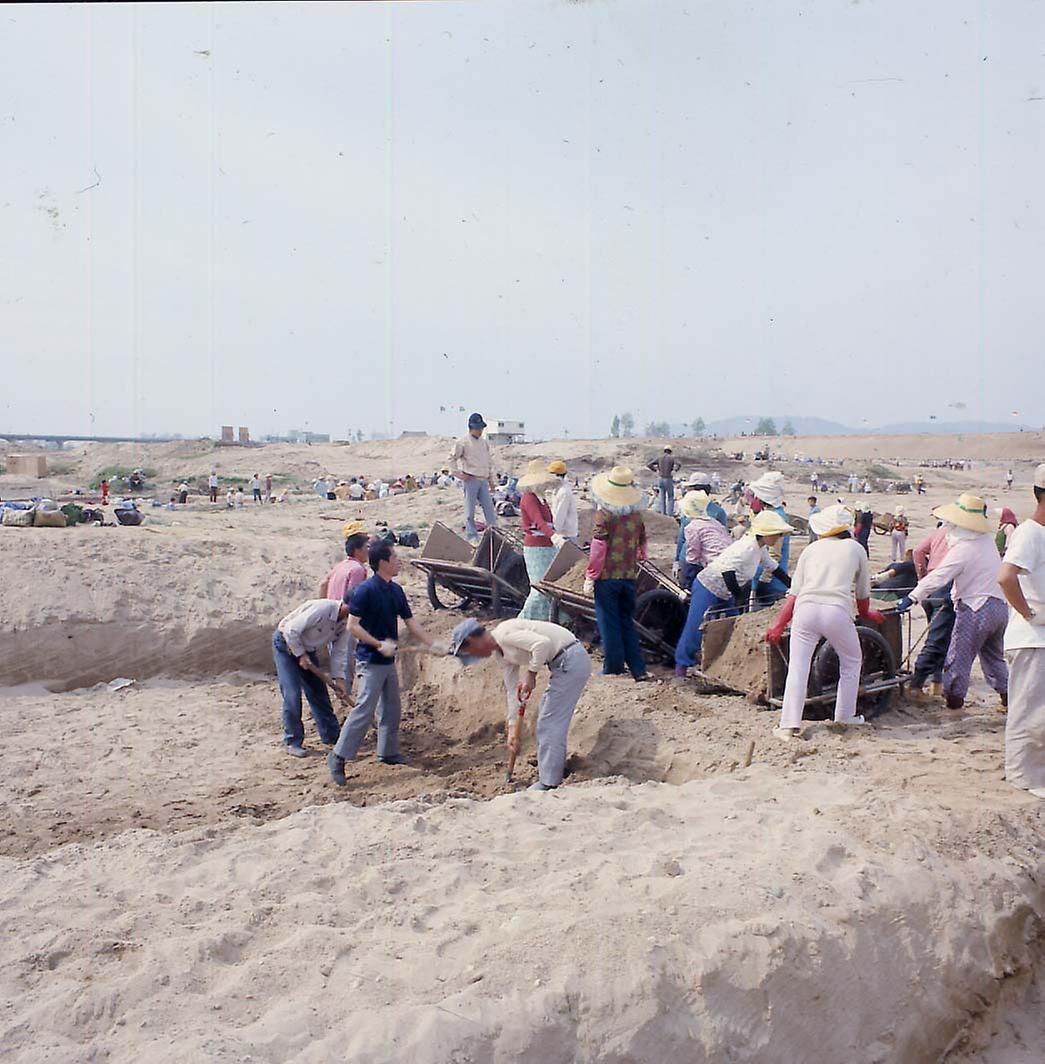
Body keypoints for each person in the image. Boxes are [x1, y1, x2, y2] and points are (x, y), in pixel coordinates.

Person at [328, 541, 446, 785]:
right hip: (369, 661)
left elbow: (411, 622)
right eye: (395, 557)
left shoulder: (396, 591)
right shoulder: (365, 590)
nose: (399, 561)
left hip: (387, 661)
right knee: (364, 709)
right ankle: (339, 756)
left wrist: (431, 643)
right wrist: (378, 644)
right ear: (383, 562)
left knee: (392, 709)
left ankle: (388, 752)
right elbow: (353, 626)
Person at [767, 504, 884, 737]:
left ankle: (788, 725)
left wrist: (779, 625)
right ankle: (844, 716)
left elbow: (794, 593)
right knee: (851, 661)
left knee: (798, 668)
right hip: (835, 611)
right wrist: (868, 614)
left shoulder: (811, 549)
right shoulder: (856, 548)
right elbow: (862, 594)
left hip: (805, 611)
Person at [450, 616, 592, 791]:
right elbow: (511, 691)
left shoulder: (504, 634)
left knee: (549, 723)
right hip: (561, 664)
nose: (475, 658)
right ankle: (554, 770)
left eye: (470, 652)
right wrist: (512, 731)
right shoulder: (500, 654)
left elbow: (542, 644)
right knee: (547, 718)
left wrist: (531, 674)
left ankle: (549, 782)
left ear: (473, 640)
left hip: (571, 660)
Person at [895, 494, 1008, 710]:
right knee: (994, 658)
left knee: (958, 657)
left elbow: (940, 576)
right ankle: (1008, 700)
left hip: (976, 609)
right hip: (999, 607)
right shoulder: (986, 541)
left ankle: (954, 704)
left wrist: (912, 596)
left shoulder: (964, 548)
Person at [674, 510, 794, 679]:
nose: (779, 537)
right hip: (709, 585)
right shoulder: (747, 547)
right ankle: (681, 668)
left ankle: (724, 663)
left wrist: (793, 586)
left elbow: (773, 568)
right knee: (695, 625)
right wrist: (737, 596)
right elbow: (727, 571)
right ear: (764, 534)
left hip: (727, 589)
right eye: (777, 534)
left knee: (736, 624)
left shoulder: (760, 548)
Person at [996, 464, 1045, 797]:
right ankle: (1021, 779)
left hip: (1037, 639)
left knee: (1038, 712)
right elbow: (1005, 577)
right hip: (1031, 638)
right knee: (1027, 712)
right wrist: (1029, 613)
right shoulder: (1029, 533)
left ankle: (1032, 775)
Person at [584, 466, 651, 681]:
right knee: (627, 622)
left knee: (609, 622)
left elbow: (598, 549)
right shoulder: (636, 517)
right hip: (629, 577)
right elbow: (643, 549)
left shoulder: (604, 515)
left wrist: (590, 576)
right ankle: (638, 669)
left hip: (607, 577)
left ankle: (613, 667)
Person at [272, 597, 349, 756]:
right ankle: (292, 741)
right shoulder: (323, 609)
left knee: (319, 693)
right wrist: (300, 654)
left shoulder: (346, 623)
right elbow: (290, 630)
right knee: (292, 694)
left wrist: (339, 680)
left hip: (307, 649)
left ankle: (332, 736)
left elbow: (339, 652)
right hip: (285, 644)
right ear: (347, 604)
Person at [322, 522, 371, 695]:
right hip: (344, 620)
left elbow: (323, 584)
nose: (368, 550)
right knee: (345, 663)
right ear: (358, 549)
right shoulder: (358, 569)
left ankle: (341, 698)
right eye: (367, 546)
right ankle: (345, 699)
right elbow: (356, 600)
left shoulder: (340, 566)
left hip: (330, 619)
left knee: (337, 662)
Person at [908, 523, 953, 701]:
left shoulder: (938, 532)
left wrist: (923, 576)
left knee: (939, 635)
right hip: (946, 585)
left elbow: (918, 551)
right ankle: (917, 684)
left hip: (930, 586)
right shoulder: (961, 538)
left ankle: (937, 683)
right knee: (939, 638)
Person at [517, 460, 565, 621]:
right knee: (539, 588)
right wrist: (553, 536)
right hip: (536, 548)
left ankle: (548, 619)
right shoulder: (529, 498)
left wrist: (554, 536)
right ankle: (524, 620)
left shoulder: (541, 498)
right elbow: (538, 522)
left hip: (547, 546)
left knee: (552, 585)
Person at [450, 412, 498, 543]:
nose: (480, 431)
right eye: (478, 428)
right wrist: (458, 474)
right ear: (471, 427)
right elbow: (452, 458)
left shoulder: (484, 443)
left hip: (483, 479)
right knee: (469, 512)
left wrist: (492, 481)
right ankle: (472, 537)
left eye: (482, 428)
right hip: (470, 479)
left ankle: (495, 536)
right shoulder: (462, 442)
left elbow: (488, 462)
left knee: (490, 510)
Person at [748, 472, 791, 600]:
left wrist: (764, 580)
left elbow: (774, 553)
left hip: (770, 582)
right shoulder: (771, 513)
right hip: (765, 575)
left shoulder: (776, 517)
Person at [678, 490, 731, 591]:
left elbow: (692, 557)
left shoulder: (693, 527)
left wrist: (688, 582)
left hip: (713, 568)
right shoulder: (714, 523)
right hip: (728, 565)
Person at [548, 460, 579, 543]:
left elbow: (560, 514)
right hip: (562, 534)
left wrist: (553, 531)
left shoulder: (564, 492)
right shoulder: (557, 489)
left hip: (566, 535)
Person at [648, 447, 679, 515]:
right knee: (670, 497)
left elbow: (649, 464)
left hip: (660, 478)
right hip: (668, 478)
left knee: (662, 497)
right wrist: (675, 470)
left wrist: (655, 470)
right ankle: (670, 515)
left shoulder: (659, 457)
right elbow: (679, 464)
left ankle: (663, 513)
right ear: (670, 451)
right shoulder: (672, 458)